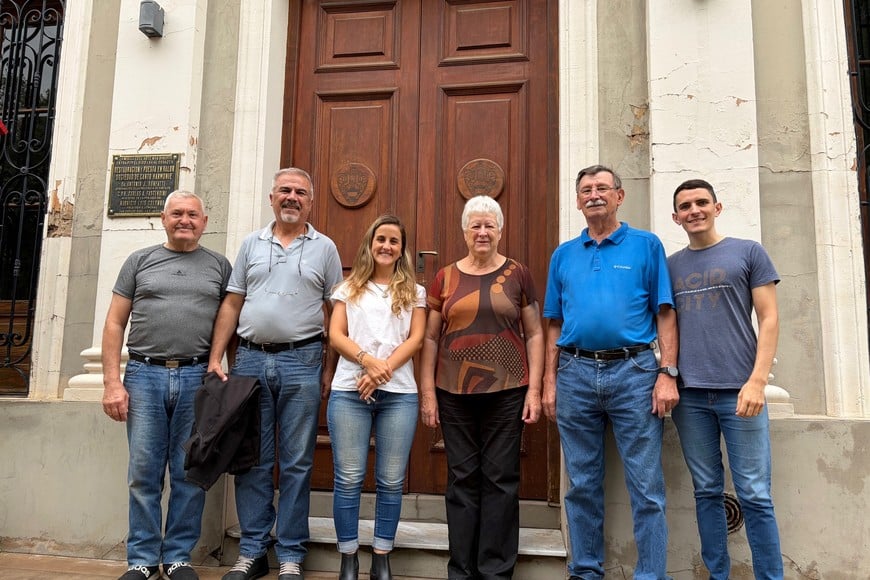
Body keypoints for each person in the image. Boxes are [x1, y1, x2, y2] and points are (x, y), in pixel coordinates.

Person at [542, 165, 679, 580]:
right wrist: (549, 381)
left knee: (647, 489)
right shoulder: (563, 255)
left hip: (635, 372)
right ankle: (585, 571)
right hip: (575, 373)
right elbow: (553, 322)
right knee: (581, 485)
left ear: (620, 196)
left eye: (603, 188)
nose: (594, 195)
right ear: (578, 199)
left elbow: (665, 313)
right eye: (586, 189)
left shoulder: (646, 245)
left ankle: (650, 575)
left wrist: (667, 372)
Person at [208, 168, 343, 580]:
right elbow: (232, 304)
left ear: (311, 201)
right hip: (249, 362)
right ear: (271, 197)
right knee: (254, 460)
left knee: (298, 462)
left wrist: (329, 367)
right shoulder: (251, 243)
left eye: (300, 192)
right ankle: (252, 552)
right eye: (284, 190)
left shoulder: (325, 248)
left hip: (302, 361)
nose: (292, 197)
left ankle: (290, 555)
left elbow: (336, 311)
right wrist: (218, 357)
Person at [101, 191, 232, 580]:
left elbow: (231, 322)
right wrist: (112, 382)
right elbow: (113, 323)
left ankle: (177, 557)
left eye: (193, 214)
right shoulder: (139, 262)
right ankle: (141, 560)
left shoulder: (219, 266)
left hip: (196, 378)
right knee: (144, 471)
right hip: (144, 375)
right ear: (163, 218)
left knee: (188, 471)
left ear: (204, 222)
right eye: (177, 213)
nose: (185, 220)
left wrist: (226, 374)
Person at [419, 195, 544, 580]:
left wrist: (535, 390)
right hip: (452, 394)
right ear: (464, 231)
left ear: (500, 231)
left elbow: (535, 333)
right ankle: (461, 570)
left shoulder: (518, 274)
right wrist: (427, 392)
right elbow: (430, 339)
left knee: (500, 480)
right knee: (461, 479)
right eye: (476, 225)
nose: (483, 232)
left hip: (508, 392)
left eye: (490, 225)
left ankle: (495, 570)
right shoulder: (445, 277)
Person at [668, 179, 783, 579]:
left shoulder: (747, 252)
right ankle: (718, 574)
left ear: (718, 207)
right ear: (676, 217)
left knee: (754, 493)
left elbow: (769, 319)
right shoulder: (670, 266)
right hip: (690, 396)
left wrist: (758, 381)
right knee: (706, 491)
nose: (694, 210)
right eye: (685, 206)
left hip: (741, 391)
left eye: (702, 202)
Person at [327, 214, 427, 580]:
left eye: (394, 241)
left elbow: (415, 339)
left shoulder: (415, 292)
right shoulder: (349, 287)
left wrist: (382, 370)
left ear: (402, 250)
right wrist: (368, 363)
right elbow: (336, 335)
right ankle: (348, 556)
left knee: (390, 479)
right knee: (349, 477)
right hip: (350, 391)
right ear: (370, 244)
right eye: (380, 239)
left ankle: (382, 554)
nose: (386, 246)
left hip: (398, 394)